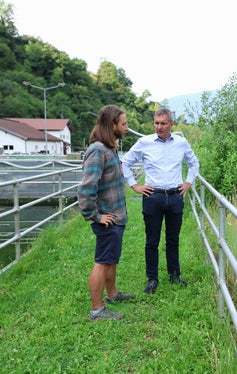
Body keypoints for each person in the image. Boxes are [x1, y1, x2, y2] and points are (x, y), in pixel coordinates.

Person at [121, 107, 199, 294]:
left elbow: (194, 162)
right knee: (152, 241)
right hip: (152, 197)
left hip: (175, 196)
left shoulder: (181, 143)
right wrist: (134, 185)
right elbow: (125, 162)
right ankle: (152, 279)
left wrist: (188, 182)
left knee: (173, 239)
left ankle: (174, 275)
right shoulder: (144, 142)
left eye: (163, 123)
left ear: (171, 124)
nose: (159, 127)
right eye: (156, 123)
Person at [78, 105, 134, 321]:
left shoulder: (110, 148)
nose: (127, 128)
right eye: (124, 124)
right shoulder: (98, 150)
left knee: (111, 259)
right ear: (112, 125)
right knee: (102, 261)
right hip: (107, 220)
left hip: (116, 217)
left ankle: (112, 295)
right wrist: (97, 216)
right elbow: (86, 189)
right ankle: (97, 310)